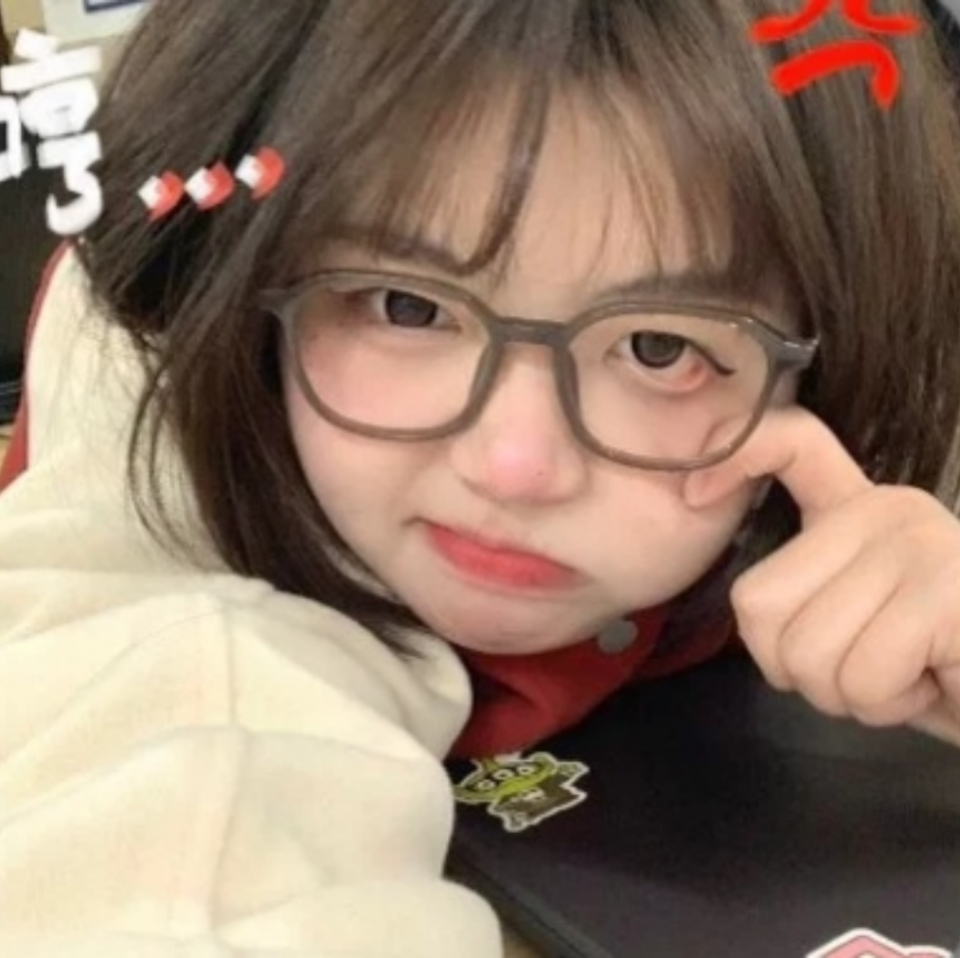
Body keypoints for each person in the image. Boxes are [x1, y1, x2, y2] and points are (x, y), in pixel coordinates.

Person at [3, 0, 960, 953]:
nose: (516, 468)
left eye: (659, 347)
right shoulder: (172, 537)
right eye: (406, 307)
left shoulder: (865, 412)